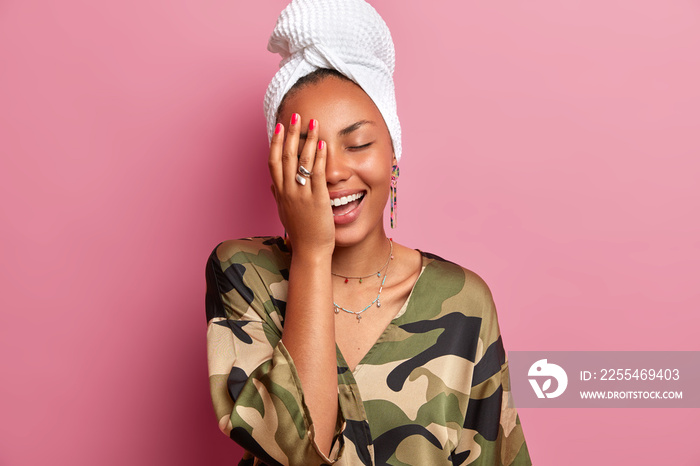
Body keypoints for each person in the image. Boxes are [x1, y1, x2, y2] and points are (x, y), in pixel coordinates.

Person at [204, 0, 532, 464]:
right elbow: (298, 449)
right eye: (308, 151)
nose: (334, 171)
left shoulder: (464, 301)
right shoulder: (243, 272)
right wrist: (313, 254)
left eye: (357, 143)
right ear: (277, 167)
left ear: (393, 153)